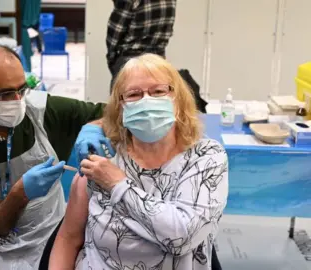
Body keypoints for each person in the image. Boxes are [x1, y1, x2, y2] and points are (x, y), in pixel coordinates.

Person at [0, 45, 113, 270]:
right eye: (6, 94)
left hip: (49, 233)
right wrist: (20, 194)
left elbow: (113, 113)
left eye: (22, 89)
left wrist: (95, 127)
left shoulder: (42, 111)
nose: (18, 100)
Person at [49, 54, 229, 270]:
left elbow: (182, 237)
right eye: (134, 94)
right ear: (121, 106)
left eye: (158, 91)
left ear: (178, 99)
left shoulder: (205, 157)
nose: (147, 101)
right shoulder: (104, 157)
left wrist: (118, 184)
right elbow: (68, 239)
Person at [107, 0, 177, 86]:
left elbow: (115, 33)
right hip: (159, 61)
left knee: (124, 97)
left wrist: (112, 59)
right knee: (157, 96)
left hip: (130, 61)